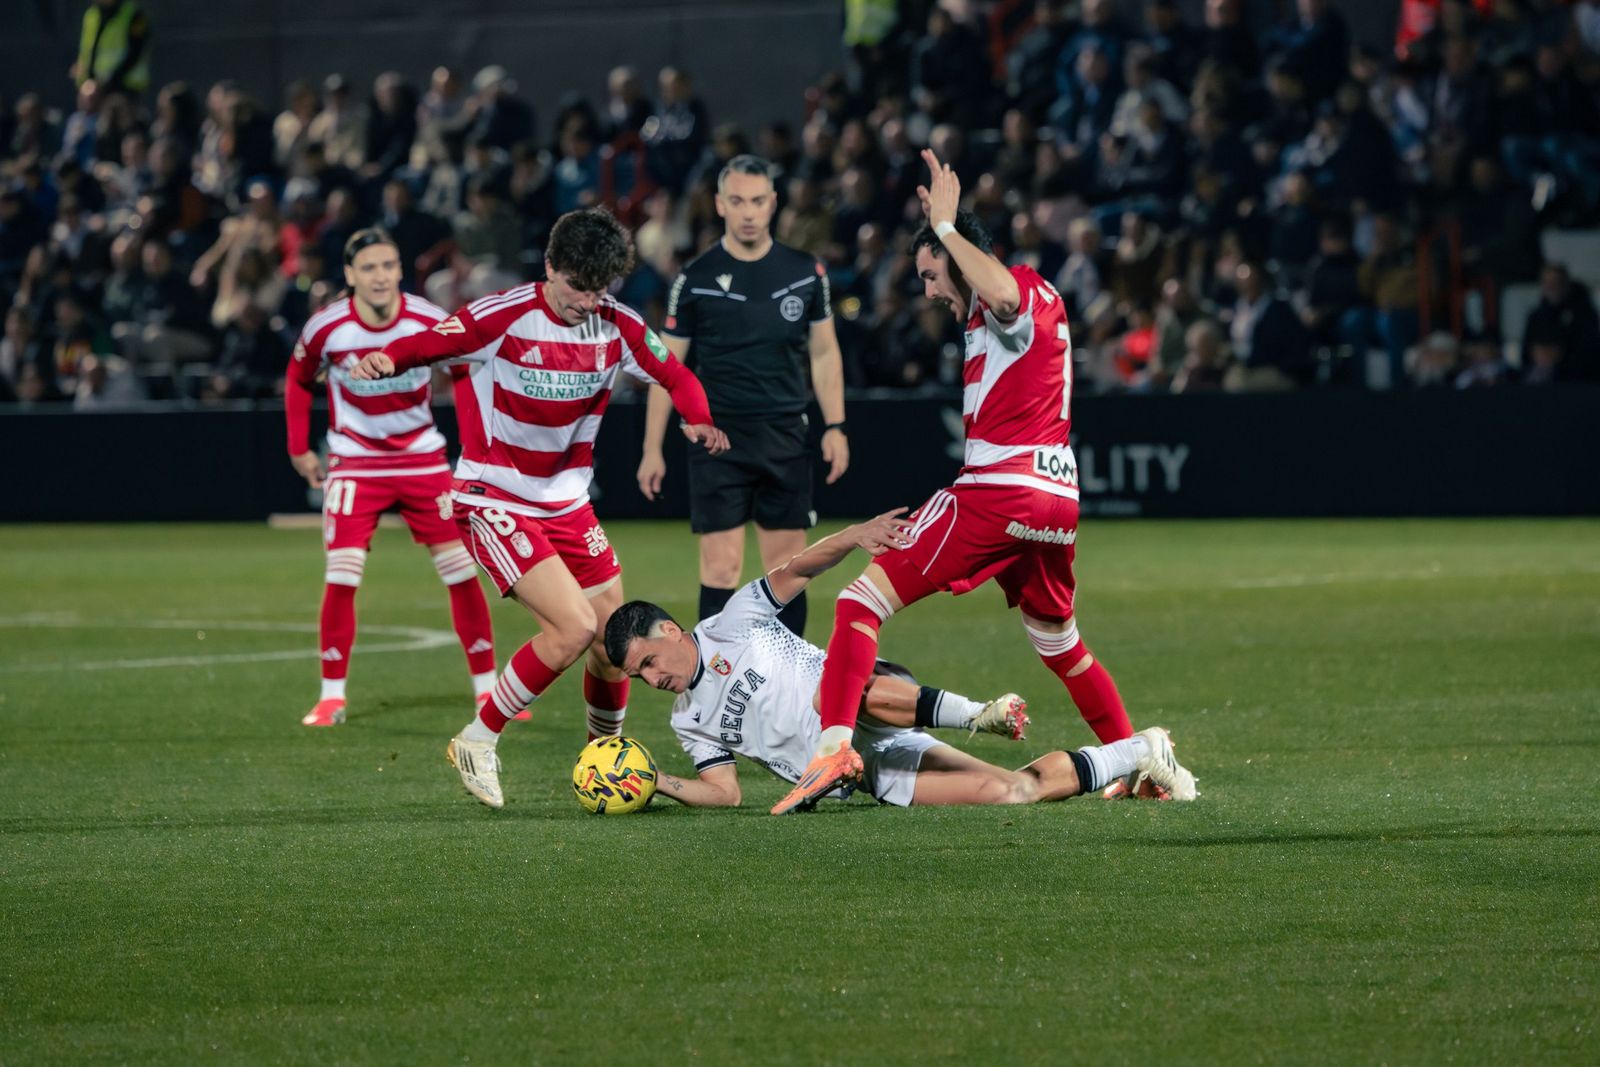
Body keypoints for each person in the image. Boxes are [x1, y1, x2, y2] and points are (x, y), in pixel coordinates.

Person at [772, 150, 1191, 816]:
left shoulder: (1013, 292)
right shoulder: (1008, 314)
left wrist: (944, 226)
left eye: (931, 272)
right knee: (1062, 645)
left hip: (1002, 488)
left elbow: (998, 292)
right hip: (1057, 498)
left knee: (857, 601)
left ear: (960, 252)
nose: (930, 288)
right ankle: (1140, 758)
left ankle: (832, 748)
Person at [350, 207, 728, 809]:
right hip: (493, 496)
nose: (587, 302)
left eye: (599, 289)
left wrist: (700, 419)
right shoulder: (504, 315)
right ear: (550, 267)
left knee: (614, 642)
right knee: (575, 627)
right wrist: (387, 359)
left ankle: (601, 757)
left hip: (568, 506)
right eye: (578, 287)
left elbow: (677, 376)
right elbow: (431, 342)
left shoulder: (618, 325)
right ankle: (478, 738)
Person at [605, 513, 1197, 810]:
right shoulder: (688, 719)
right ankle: (1140, 751)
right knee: (1009, 792)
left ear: (670, 630)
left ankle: (973, 714)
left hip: (866, 702)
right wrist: (655, 782)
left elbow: (798, 571)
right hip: (868, 769)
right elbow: (726, 792)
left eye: (650, 662)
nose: (653, 680)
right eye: (640, 677)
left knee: (830, 697)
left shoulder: (730, 622)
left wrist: (855, 534)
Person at [285, 228, 497, 727]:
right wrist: (298, 448)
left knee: (461, 572)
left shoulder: (428, 319)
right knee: (342, 574)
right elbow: (297, 379)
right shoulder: (327, 327)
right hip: (355, 460)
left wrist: (473, 448)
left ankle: (488, 691)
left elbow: (464, 373)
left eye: (388, 266)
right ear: (350, 275)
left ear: (400, 270)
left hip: (423, 460)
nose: (380, 276)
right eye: (369, 268)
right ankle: (331, 697)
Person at [637, 155, 848, 638]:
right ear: (719, 205)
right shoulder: (696, 277)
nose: (748, 212)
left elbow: (824, 353)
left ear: (773, 203)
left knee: (789, 570)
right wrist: (651, 448)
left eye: (757, 201)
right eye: (737, 201)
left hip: (784, 434)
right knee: (721, 568)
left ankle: (791, 687)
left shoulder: (804, 271)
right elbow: (666, 369)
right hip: (718, 439)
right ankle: (716, 685)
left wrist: (836, 426)